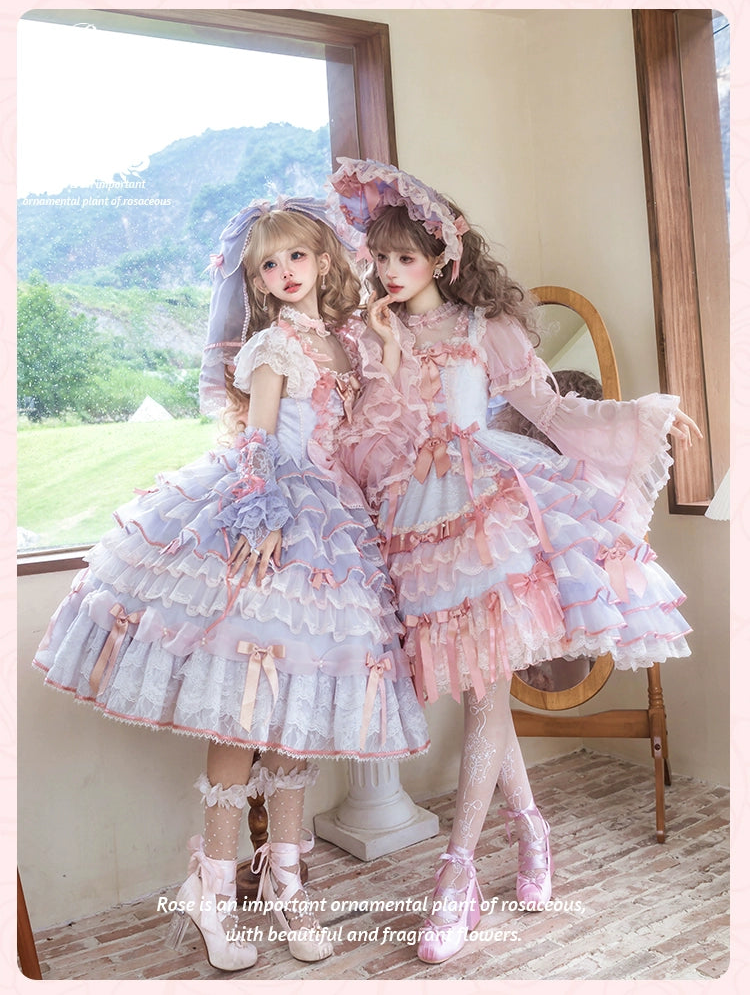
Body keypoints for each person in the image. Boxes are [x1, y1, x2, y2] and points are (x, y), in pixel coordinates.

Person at [32, 196, 430, 972]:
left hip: (334, 531)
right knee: (243, 716)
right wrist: (266, 518)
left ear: (324, 259)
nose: (285, 272)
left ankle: (287, 881)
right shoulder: (274, 347)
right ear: (257, 279)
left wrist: (385, 342)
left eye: (296, 256)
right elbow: (258, 442)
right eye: (269, 264)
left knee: (297, 720)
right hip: (270, 516)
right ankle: (212, 888)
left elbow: (378, 421)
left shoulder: (346, 343)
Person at [328, 158, 702, 964]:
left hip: (491, 514)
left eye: (405, 256)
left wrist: (639, 416)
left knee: (484, 693)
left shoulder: (481, 329)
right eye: (380, 256)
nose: (389, 270)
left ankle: (456, 874)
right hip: (416, 524)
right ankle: (531, 830)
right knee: (479, 691)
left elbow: (548, 408)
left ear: (442, 257)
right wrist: (382, 356)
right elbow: (366, 437)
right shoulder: (371, 335)